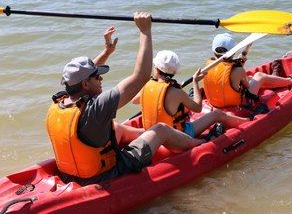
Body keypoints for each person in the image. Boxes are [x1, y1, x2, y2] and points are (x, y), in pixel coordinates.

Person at [46, 12, 205, 186]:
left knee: (115, 128)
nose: (101, 79)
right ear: (85, 84)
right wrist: (145, 31)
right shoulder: (96, 109)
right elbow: (141, 75)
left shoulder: (60, 103)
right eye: (97, 77)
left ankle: (151, 136)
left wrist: (107, 52)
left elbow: (78, 76)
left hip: (70, 175)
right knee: (161, 129)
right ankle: (199, 143)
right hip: (107, 174)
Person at [132, 50, 249, 140]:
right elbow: (198, 108)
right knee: (217, 114)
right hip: (179, 136)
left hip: (153, 131)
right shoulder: (177, 92)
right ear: (174, 72)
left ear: (157, 70)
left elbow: (135, 100)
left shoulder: (147, 86)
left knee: (179, 109)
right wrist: (195, 82)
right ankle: (247, 121)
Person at [202, 33, 292, 109]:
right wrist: (241, 69)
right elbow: (246, 86)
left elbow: (225, 74)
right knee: (259, 76)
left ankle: (275, 78)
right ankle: (289, 80)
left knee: (251, 78)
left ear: (214, 51)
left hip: (215, 103)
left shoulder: (208, 65)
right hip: (239, 104)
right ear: (233, 51)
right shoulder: (238, 70)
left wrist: (240, 64)